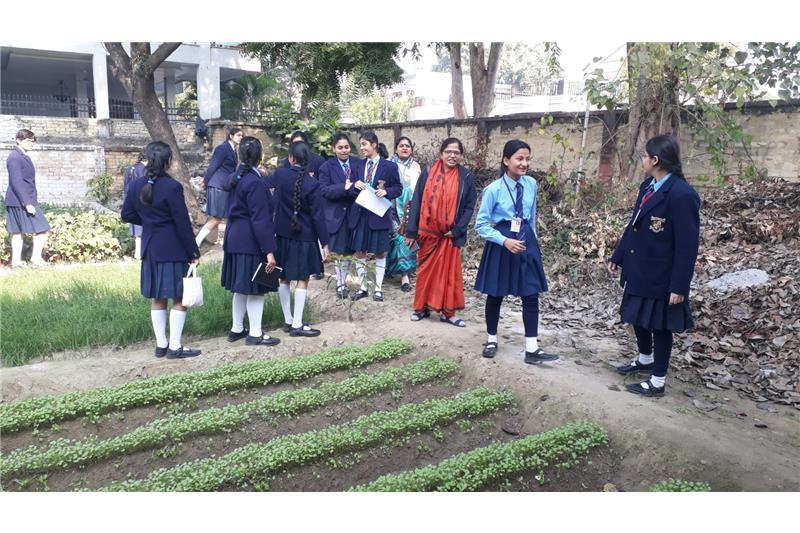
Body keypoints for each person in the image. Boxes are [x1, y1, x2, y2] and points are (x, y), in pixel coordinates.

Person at [608, 134, 700, 397]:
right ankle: (645, 359)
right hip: (640, 267)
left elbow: (687, 246)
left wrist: (679, 286)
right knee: (637, 316)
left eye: (645, 156)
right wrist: (619, 256)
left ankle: (658, 381)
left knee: (660, 326)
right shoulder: (648, 186)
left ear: (655, 160)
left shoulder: (682, 195)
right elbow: (634, 225)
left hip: (662, 274)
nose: (643, 160)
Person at [474, 140, 558, 364]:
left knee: (531, 293)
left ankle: (532, 348)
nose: (524, 163)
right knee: (496, 293)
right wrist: (504, 241)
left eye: (527, 159)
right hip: (502, 243)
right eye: (519, 158)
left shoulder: (531, 184)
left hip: (526, 242)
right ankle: (491, 339)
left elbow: (530, 216)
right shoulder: (493, 190)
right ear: (506, 160)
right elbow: (480, 225)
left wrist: (533, 244)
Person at [121, 141, 202, 359]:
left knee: (157, 297)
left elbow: (126, 215)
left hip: (150, 247)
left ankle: (161, 345)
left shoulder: (136, 185)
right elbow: (182, 224)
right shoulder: (172, 187)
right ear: (168, 161)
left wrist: (149, 221)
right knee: (178, 297)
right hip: (173, 248)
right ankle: (175, 347)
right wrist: (193, 252)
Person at [404, 137, 476, 327]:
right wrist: (411, 232)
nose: (452, 155)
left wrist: (458, 229)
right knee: (425, 272)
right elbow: (417, 200)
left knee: (449, 276)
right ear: (441, 153)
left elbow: (469, 206)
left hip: (450, 236)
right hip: (428, 235)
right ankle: (421, 308)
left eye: (456, 153)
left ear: (461, 155)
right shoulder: (428, 172)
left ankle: (448, 312)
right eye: (448, 152)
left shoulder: (465, 176)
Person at [220, 137, 281, 346]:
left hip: (234, 238)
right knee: (257, 287)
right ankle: (255, 333)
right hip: (250, 240)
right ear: (260, 156)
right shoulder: (254, 182)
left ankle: (236, 329)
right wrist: (269, 251)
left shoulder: (235, 178)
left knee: (240, 287)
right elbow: (260, 220)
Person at [273, 141, 331, 336]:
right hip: (305, 237)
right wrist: (325, 244)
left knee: (283, 278)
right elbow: (318, 216)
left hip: (282, 235)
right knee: (303, 279)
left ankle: (288, 320)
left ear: (291, 158)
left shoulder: (280, 175)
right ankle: (297, 324)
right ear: (309, 161)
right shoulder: (312, 184)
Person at [347, 131, 402, 302]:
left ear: (374, 145)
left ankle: (378, 289)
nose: (362, 148)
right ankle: (363, 287)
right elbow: (350, 188)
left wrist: (386, 191)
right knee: (360, 252)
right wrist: (355, 185)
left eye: (364, 144)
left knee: (380, 252)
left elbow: (398, 188)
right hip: (361, 213)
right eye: (361, 144)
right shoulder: (356, 165)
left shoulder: (390, 166)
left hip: (379, 215)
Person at [318, 132, 358, 299]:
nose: (344, 150)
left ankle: (346, 280)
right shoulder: (326, 167)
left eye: (346, 147)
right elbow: (324, 190)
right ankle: (340, 283)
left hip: (354, 213)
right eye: (340, 147)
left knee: (350, 251)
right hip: (336, 214)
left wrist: (354, 188)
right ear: (333, 149)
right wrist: (345, 187)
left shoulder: (358, 163)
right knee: (339, 252)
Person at [4, 129, 50, 267]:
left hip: (20, 200)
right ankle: (32, 259)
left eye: (33, 141)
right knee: (42, 228)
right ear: (18, 140)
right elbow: (16, 182)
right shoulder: (14, 157)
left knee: (18, 233)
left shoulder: (23, 156)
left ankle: (18, 262)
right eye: (28, 141)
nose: (31, 144)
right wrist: (27, 203)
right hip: (20, 201)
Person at [196, 127, 243, 247]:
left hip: (223, 185)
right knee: (217, 218)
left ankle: (212, 241)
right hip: (218, 186)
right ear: (231, 136)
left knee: (219, 217)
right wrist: (205, 181)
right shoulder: (223, 148)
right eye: (238, 135)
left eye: (241, 136)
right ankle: (196, 242)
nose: (241, 138)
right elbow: (213, 166)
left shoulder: (233, 149)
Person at [388, 136, 421, 291]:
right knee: (395, 239)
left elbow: (420, 189)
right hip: (392, 208)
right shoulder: (389, 164)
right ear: (396, 148)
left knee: (406, 239)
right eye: (401, 145)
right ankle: (393, 268)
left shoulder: (416, 166)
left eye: (408, 146)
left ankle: (405, 274)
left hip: (411, 209)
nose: (404, 148)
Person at [122, 152, 146, 259]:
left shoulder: (130, 169)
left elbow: (125, 187)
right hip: (142, 202)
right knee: (142, 230)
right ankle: (140, 253)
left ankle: (137, 253)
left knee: (137, 231)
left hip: (131, 201)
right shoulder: (145, 170)